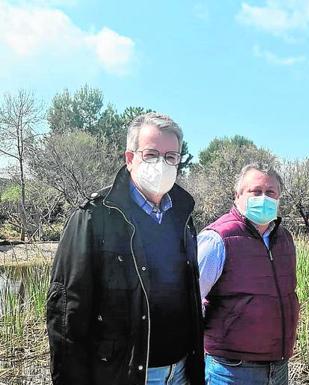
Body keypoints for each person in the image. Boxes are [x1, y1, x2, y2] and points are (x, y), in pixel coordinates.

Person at [46, 113, 204, 385]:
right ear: (130, 159)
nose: (162, 164)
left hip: (180, 371)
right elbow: (66, 312)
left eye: (171, 157)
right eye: (151, 154)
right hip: (124, 374)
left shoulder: (183, 214)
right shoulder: (95, 216)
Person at [198, 163, 299, 385]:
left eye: (270, 192)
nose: (264, 198)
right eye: (256, 192)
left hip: (278, 367)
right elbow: (189, 303)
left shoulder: (284, 239)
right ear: (237, 195)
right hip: (231, 369)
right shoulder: (217, 239)